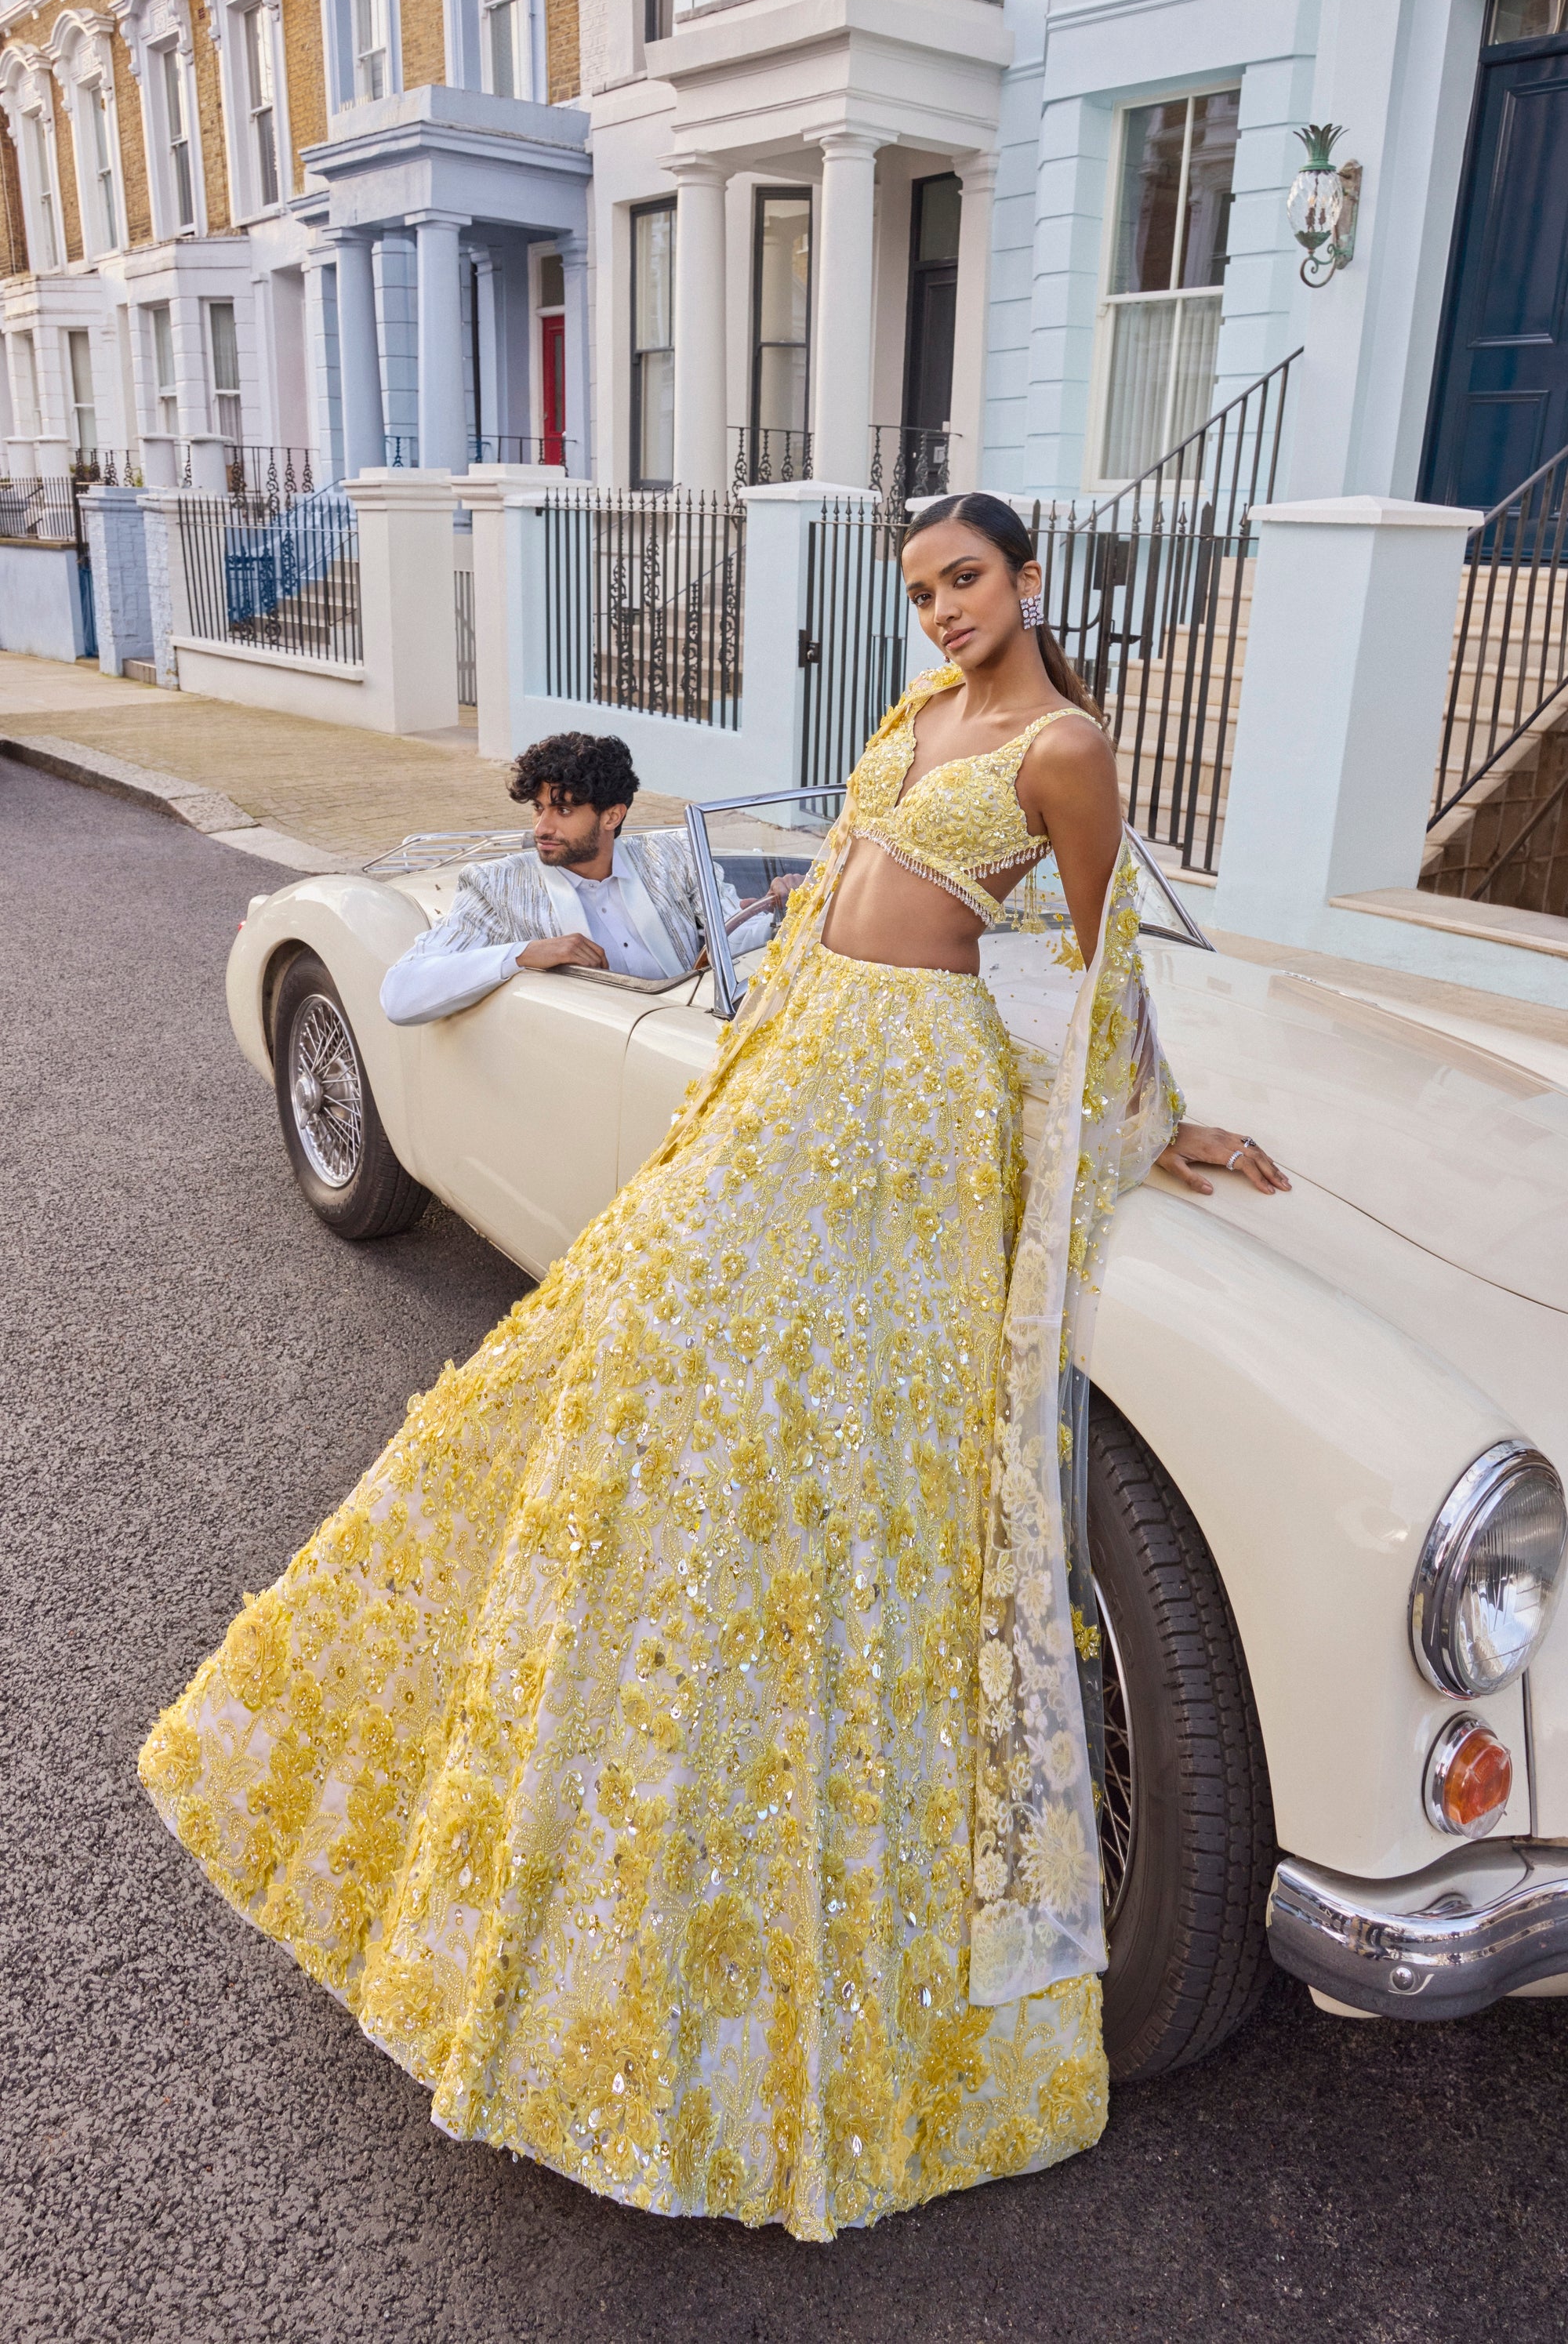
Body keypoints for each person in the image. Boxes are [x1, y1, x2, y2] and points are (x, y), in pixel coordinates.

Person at [140, 492, 1287, 2241]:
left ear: (1028, 578)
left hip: (911, 1094)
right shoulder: (920, 713)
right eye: (921, 588)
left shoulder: (1066, 746)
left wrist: (1158, 1119)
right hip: (799, 1055)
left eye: (965, 579)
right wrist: (745, 1017)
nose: (942, 609)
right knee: (624, 1349)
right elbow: (826, 887)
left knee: (845, 1449)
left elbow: (1095, 954)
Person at [379, 730, 783, 1025]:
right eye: (538, 808)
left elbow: (730, 937)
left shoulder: (674, 854)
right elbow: (400, 995)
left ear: (612, 816)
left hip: (689, 1033)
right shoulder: (495, 885)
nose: (542, 827)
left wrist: (783, 909)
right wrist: (522, 954)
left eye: (564, 811)